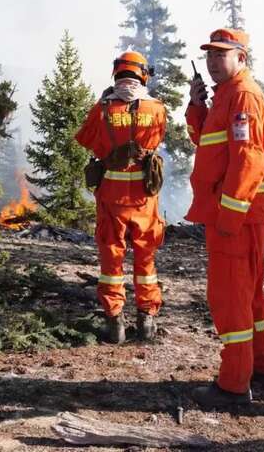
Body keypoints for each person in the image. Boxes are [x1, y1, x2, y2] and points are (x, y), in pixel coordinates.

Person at [185, 28, 264, 408]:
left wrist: (230, 214)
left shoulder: (242, 95)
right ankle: (263, 369)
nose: (212, 61)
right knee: (250, 294)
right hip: (237, 214)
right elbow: (207, 143)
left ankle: (234, 385)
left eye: (220, 55)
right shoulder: (226, 94)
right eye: (209, 55)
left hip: (236, 217)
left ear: (241, 57)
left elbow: (248, 160)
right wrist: (196, 107)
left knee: (230, 297)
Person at [75, 51, 167, 343]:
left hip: (111, 197)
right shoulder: (156, 109)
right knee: (145, 256)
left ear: (116, 73)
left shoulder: (102, 109)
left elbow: (85, 139)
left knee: (112, 257)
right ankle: (147, 319)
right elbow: (159, 137)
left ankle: (115, 322)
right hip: (144, 198)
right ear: (143, 75)